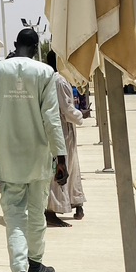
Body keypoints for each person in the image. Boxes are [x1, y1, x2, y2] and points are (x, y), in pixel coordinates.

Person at [0, 28, 68, 272]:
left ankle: (19, 269)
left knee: (14, 215)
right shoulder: (45, 73)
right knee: (37, 213)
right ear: (37, 47)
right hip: (38, 157)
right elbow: (51, 118)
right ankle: (35, 263)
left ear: (15, 45)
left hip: (8, 158)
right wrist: (61, 156)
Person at [44, 50, 86, 225]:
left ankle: (75, 201)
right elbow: (67, 110)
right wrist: (81, 115)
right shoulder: (59, 81)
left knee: (71, 165)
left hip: (60, 129)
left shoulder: (48, 79)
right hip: (62, 129)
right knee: (62, 166)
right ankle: (52, 209)